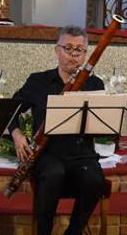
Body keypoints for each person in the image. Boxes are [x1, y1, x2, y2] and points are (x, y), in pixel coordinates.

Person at [10, 26, 106, 235]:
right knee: (53, 174)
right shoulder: (38, 81)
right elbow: (9, 111)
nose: (73, 55)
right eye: (68, 48)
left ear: (85, 54)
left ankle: (74, 231)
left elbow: (102, 125)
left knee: (95, 180)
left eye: (79, 50)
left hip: (81, 154)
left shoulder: (94, 83)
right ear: (57, 50)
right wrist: (17, 135)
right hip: (47, 154)